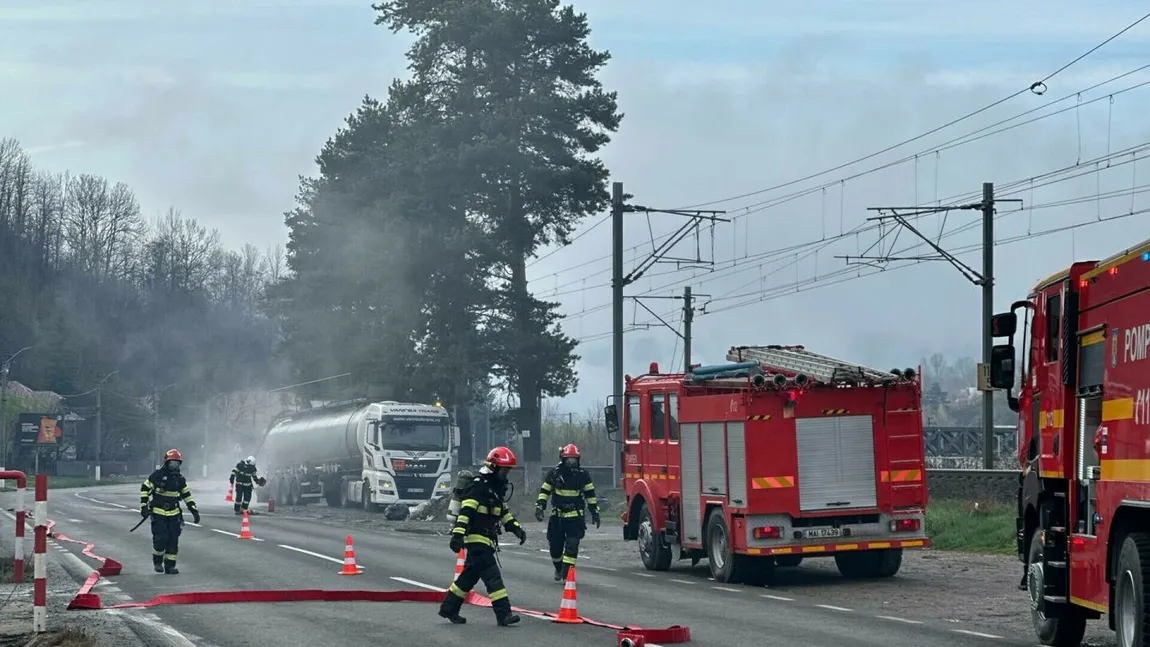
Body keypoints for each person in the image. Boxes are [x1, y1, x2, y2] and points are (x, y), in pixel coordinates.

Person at [437, 446, 527, 627]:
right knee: (493, 577)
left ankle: (449, 609)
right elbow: (466, 512)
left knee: (467, 578)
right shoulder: (479, 486)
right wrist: (457, 535)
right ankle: (504, 614)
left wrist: (516, 528)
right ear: (493, 467)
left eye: (508, 470)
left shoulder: (495, 488)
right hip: (477, 540)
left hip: (487, 540)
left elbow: (503, 512)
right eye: (504, 470)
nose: (506, 474)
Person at [535, 443, 600, 581]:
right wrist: (540, 506)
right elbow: (544, 491)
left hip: (575, 518)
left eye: (574, 460)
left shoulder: (583, 475)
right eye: (569, 460)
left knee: (572, 547)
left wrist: (595, 512)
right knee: (555, 548)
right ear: (563, 459)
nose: (572, 462)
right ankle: (558, 568)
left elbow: (590, 494)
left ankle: (566, 575)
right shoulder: (554, 473)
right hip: (557, 518)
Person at [140, 449, 200, 575]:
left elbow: (186, 495)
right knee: (160, 539)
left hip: (174, 514)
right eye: (172, 463)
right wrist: (144, 507)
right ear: (166, 463)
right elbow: (145, 488)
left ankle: (170, 566)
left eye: (177, 463)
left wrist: (194, 510)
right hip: (158, 512)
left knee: (173, 540)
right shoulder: (157, 475)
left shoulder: (180, 479)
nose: (174, 466)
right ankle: (157, 562)